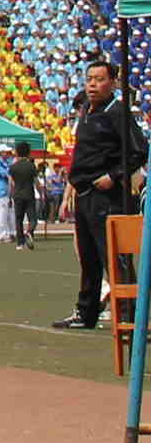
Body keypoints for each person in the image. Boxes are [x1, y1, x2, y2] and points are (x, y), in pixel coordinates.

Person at [54, 62, 147, 329]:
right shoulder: (86, 110)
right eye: (89, 79)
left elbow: (139, 150)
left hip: (106, 196)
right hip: (84, 194)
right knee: (88, 258)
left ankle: (129, 314)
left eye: (99, 79)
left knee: (114, 257)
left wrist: (114, 175)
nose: (92, 84)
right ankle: (86, 312)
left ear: (113, 82)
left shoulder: (117, 112)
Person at [8, 142, 39, 252]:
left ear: (17, 152)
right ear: (28, 152)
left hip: (17, 195)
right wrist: (41, 192)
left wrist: (10, 196)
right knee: (33, 219)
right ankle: (29, 232)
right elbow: (36, 182)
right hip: (29, 194)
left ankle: (20, 243)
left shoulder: (13, 167)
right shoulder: (31, 166)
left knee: (18, 219)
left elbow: (11, 183)